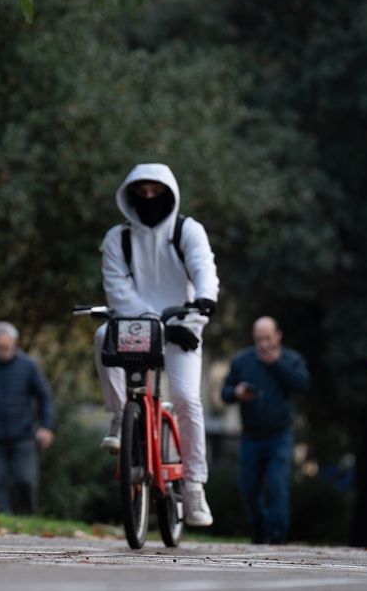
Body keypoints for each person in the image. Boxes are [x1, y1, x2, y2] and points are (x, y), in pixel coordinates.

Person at [94, 163, 219, 527]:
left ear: (170, 193)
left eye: (156, 193)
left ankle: (195, 485)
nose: (149, 199)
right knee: (103, 337)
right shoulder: (118, 237)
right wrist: (153, 323)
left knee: (186, 399)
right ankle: (121, 414)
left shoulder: (187, 230)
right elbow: (117, 289)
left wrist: (203, 304)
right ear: (130, 196)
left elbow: (203, 270)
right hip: (137, 323)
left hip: (183, 324)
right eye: (141, 193)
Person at [222, 316, 310, 544]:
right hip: (251, 436)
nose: (263, 344)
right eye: (259, 339)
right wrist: (237, 392)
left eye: (268, 338)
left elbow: (302, 384)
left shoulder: (291, 359)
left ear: (278, 336)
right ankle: (259, 531)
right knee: (249, 489)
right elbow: (225, 392)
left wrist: (277, 363)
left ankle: (277, 536)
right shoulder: (242, 361)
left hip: (279, 436)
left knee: (277, 486)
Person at [0, 321, 55, 514]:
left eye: (6, 347)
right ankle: (2, 520)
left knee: (25, 480)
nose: (2, 352)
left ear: (14, 343)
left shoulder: (29, 366)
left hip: (23, 433)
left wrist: (46, 426)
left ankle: (28, 517)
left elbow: (44, 397)